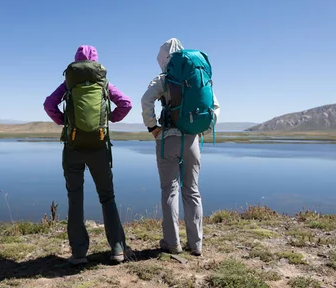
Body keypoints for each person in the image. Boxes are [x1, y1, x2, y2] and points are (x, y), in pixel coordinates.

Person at [44, 45, 133, 264]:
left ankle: (79, 253)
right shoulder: (103, 82)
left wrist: (63, 121)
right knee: (107, 197)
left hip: (73, 146)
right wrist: (109, 119)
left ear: (76, 62)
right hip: (99, 145)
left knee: (75, 198)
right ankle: (118, 249)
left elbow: (49, 104)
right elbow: (126, 103)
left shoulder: (70, 82)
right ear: (95, 62)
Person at [140, 38, 220, 256]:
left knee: (170, 190)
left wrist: (152, 127)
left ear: (163, 58)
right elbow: (214, 105)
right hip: (192, 140)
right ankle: (196, 245)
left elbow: (146, 100)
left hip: (168, 139)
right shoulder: (197, 76)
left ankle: (172, 243)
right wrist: (203, 128)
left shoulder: (164, 78)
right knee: (192, 190)